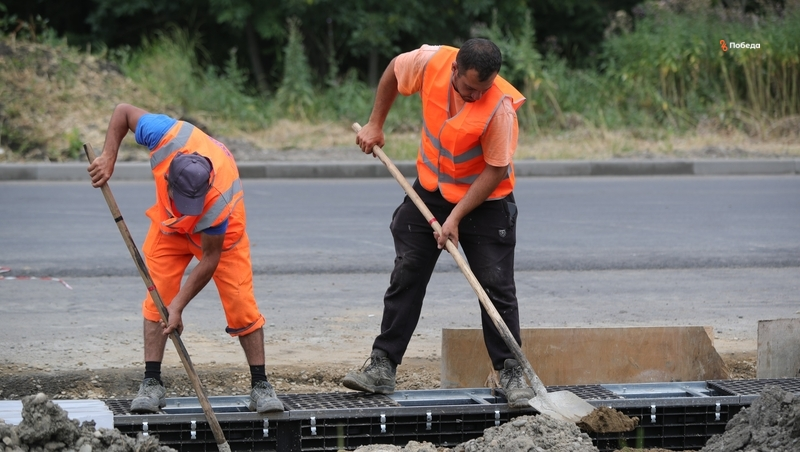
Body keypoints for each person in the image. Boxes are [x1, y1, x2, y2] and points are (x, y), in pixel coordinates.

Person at [344, 38, 536, 407]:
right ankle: (382, 366)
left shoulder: (500, 108)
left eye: (483, 89)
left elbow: (496, 170)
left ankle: (511, 370)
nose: (474, 96)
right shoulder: (430, 62)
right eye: (468, 88)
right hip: (431, 188)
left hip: (486, 199)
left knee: (495, 286)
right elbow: (392, 72)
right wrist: (375, 123)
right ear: (455, 71)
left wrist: (456, 217)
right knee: (408, 272)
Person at [87, 103, 283, 414]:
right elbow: (123, 112)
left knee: (240, 302)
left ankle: (261, 385)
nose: (186, 206)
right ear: (169, 179)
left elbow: (209, 260)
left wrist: (178, 307)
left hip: (221, 240)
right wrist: (109, 157)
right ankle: (152, 382)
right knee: (157, 297)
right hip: (169, 229)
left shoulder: (217, 201)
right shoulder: (164, 135)